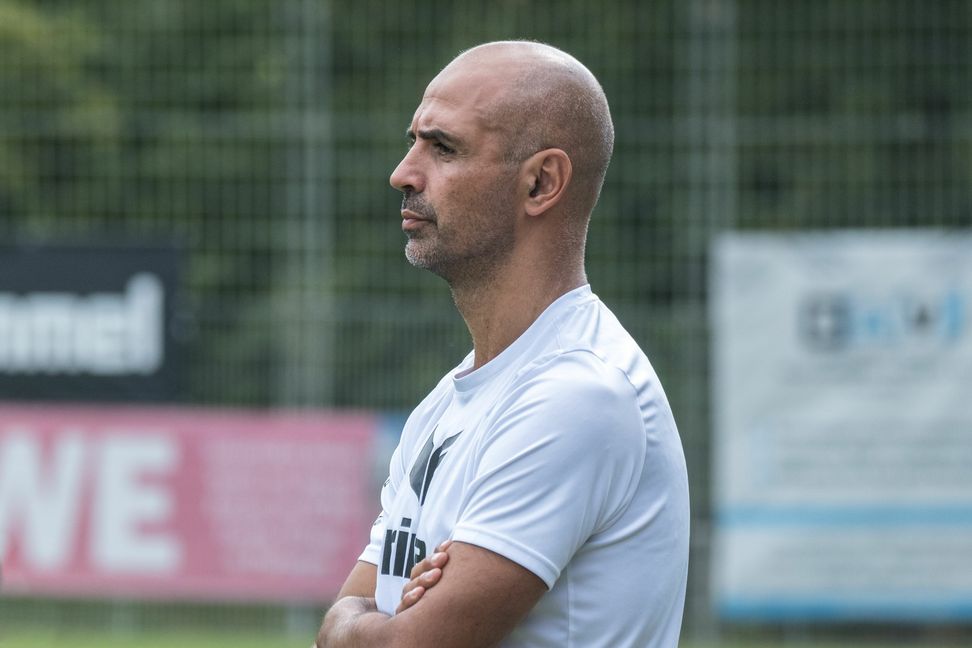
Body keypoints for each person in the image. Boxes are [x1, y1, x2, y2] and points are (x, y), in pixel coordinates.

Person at [316, 40, 690, 648]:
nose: (403, 173)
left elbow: (389, 638)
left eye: (443, 148)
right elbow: (350, 617)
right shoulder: (449, 401)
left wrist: (361, 626)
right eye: (413, 141)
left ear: (542, 182)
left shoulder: (577, 394)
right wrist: (365, 622)